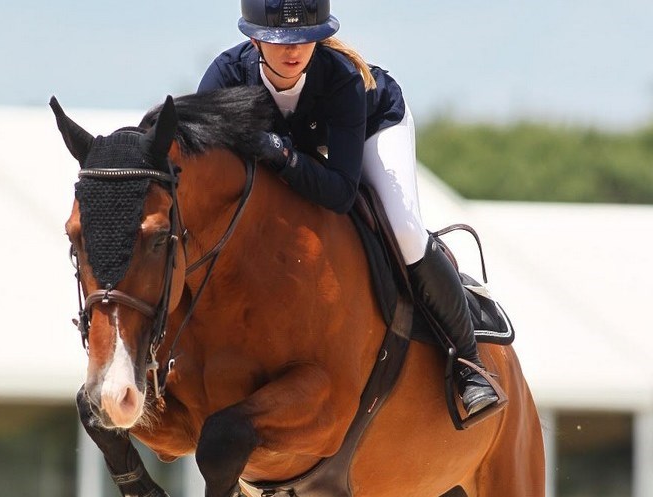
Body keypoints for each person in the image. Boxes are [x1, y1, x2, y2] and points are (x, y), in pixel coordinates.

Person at [197, 0, 499, 416]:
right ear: (253, 38)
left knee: (406, 232)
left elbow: (340, 191)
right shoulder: (225, 77)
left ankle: (469, 366)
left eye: (306, 39)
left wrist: (281, 155)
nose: (294, 51)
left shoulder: (341, 77)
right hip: (302, 145)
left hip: (374, 125)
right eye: (279, 40)